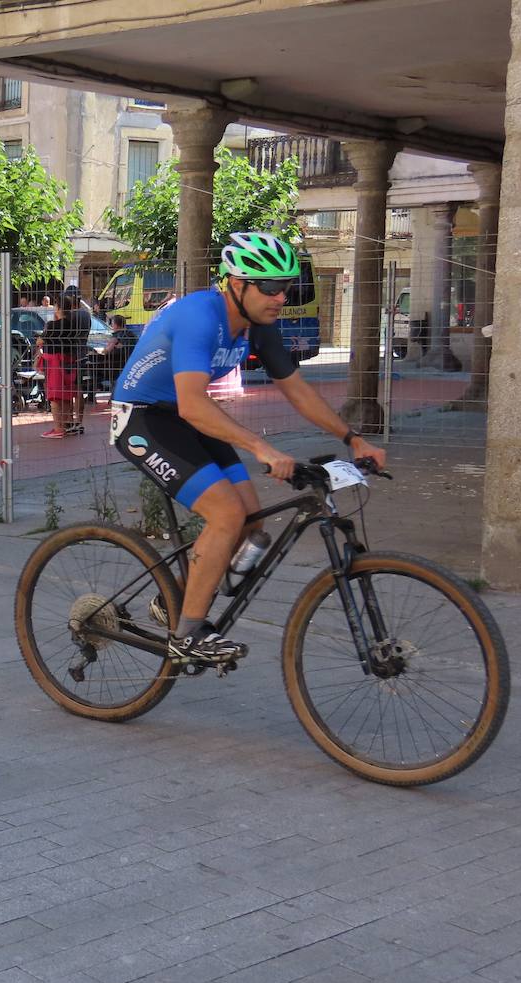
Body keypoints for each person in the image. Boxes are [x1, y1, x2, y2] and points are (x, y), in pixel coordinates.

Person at [110, 232, 386, 666]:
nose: (282, 297)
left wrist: (353, 438)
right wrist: (262, 448)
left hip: (189, 417)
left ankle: (178, 598)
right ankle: (187, 637)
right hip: (144, 418)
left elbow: (298, 392)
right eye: (271, 287)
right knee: (226, 512)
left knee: (249, 520)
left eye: (287, 286)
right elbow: (193, 403)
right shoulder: (201, 315)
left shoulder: (260, 328)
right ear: (236, 285)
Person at [37, 291, 91, 437]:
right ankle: (69, 423)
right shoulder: (74, 323)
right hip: (71, 361)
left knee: (54, 396)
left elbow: (40, 341)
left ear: (58, 308)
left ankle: (58, 428)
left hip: (55, 363)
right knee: (68, 393)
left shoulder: (53, 325)